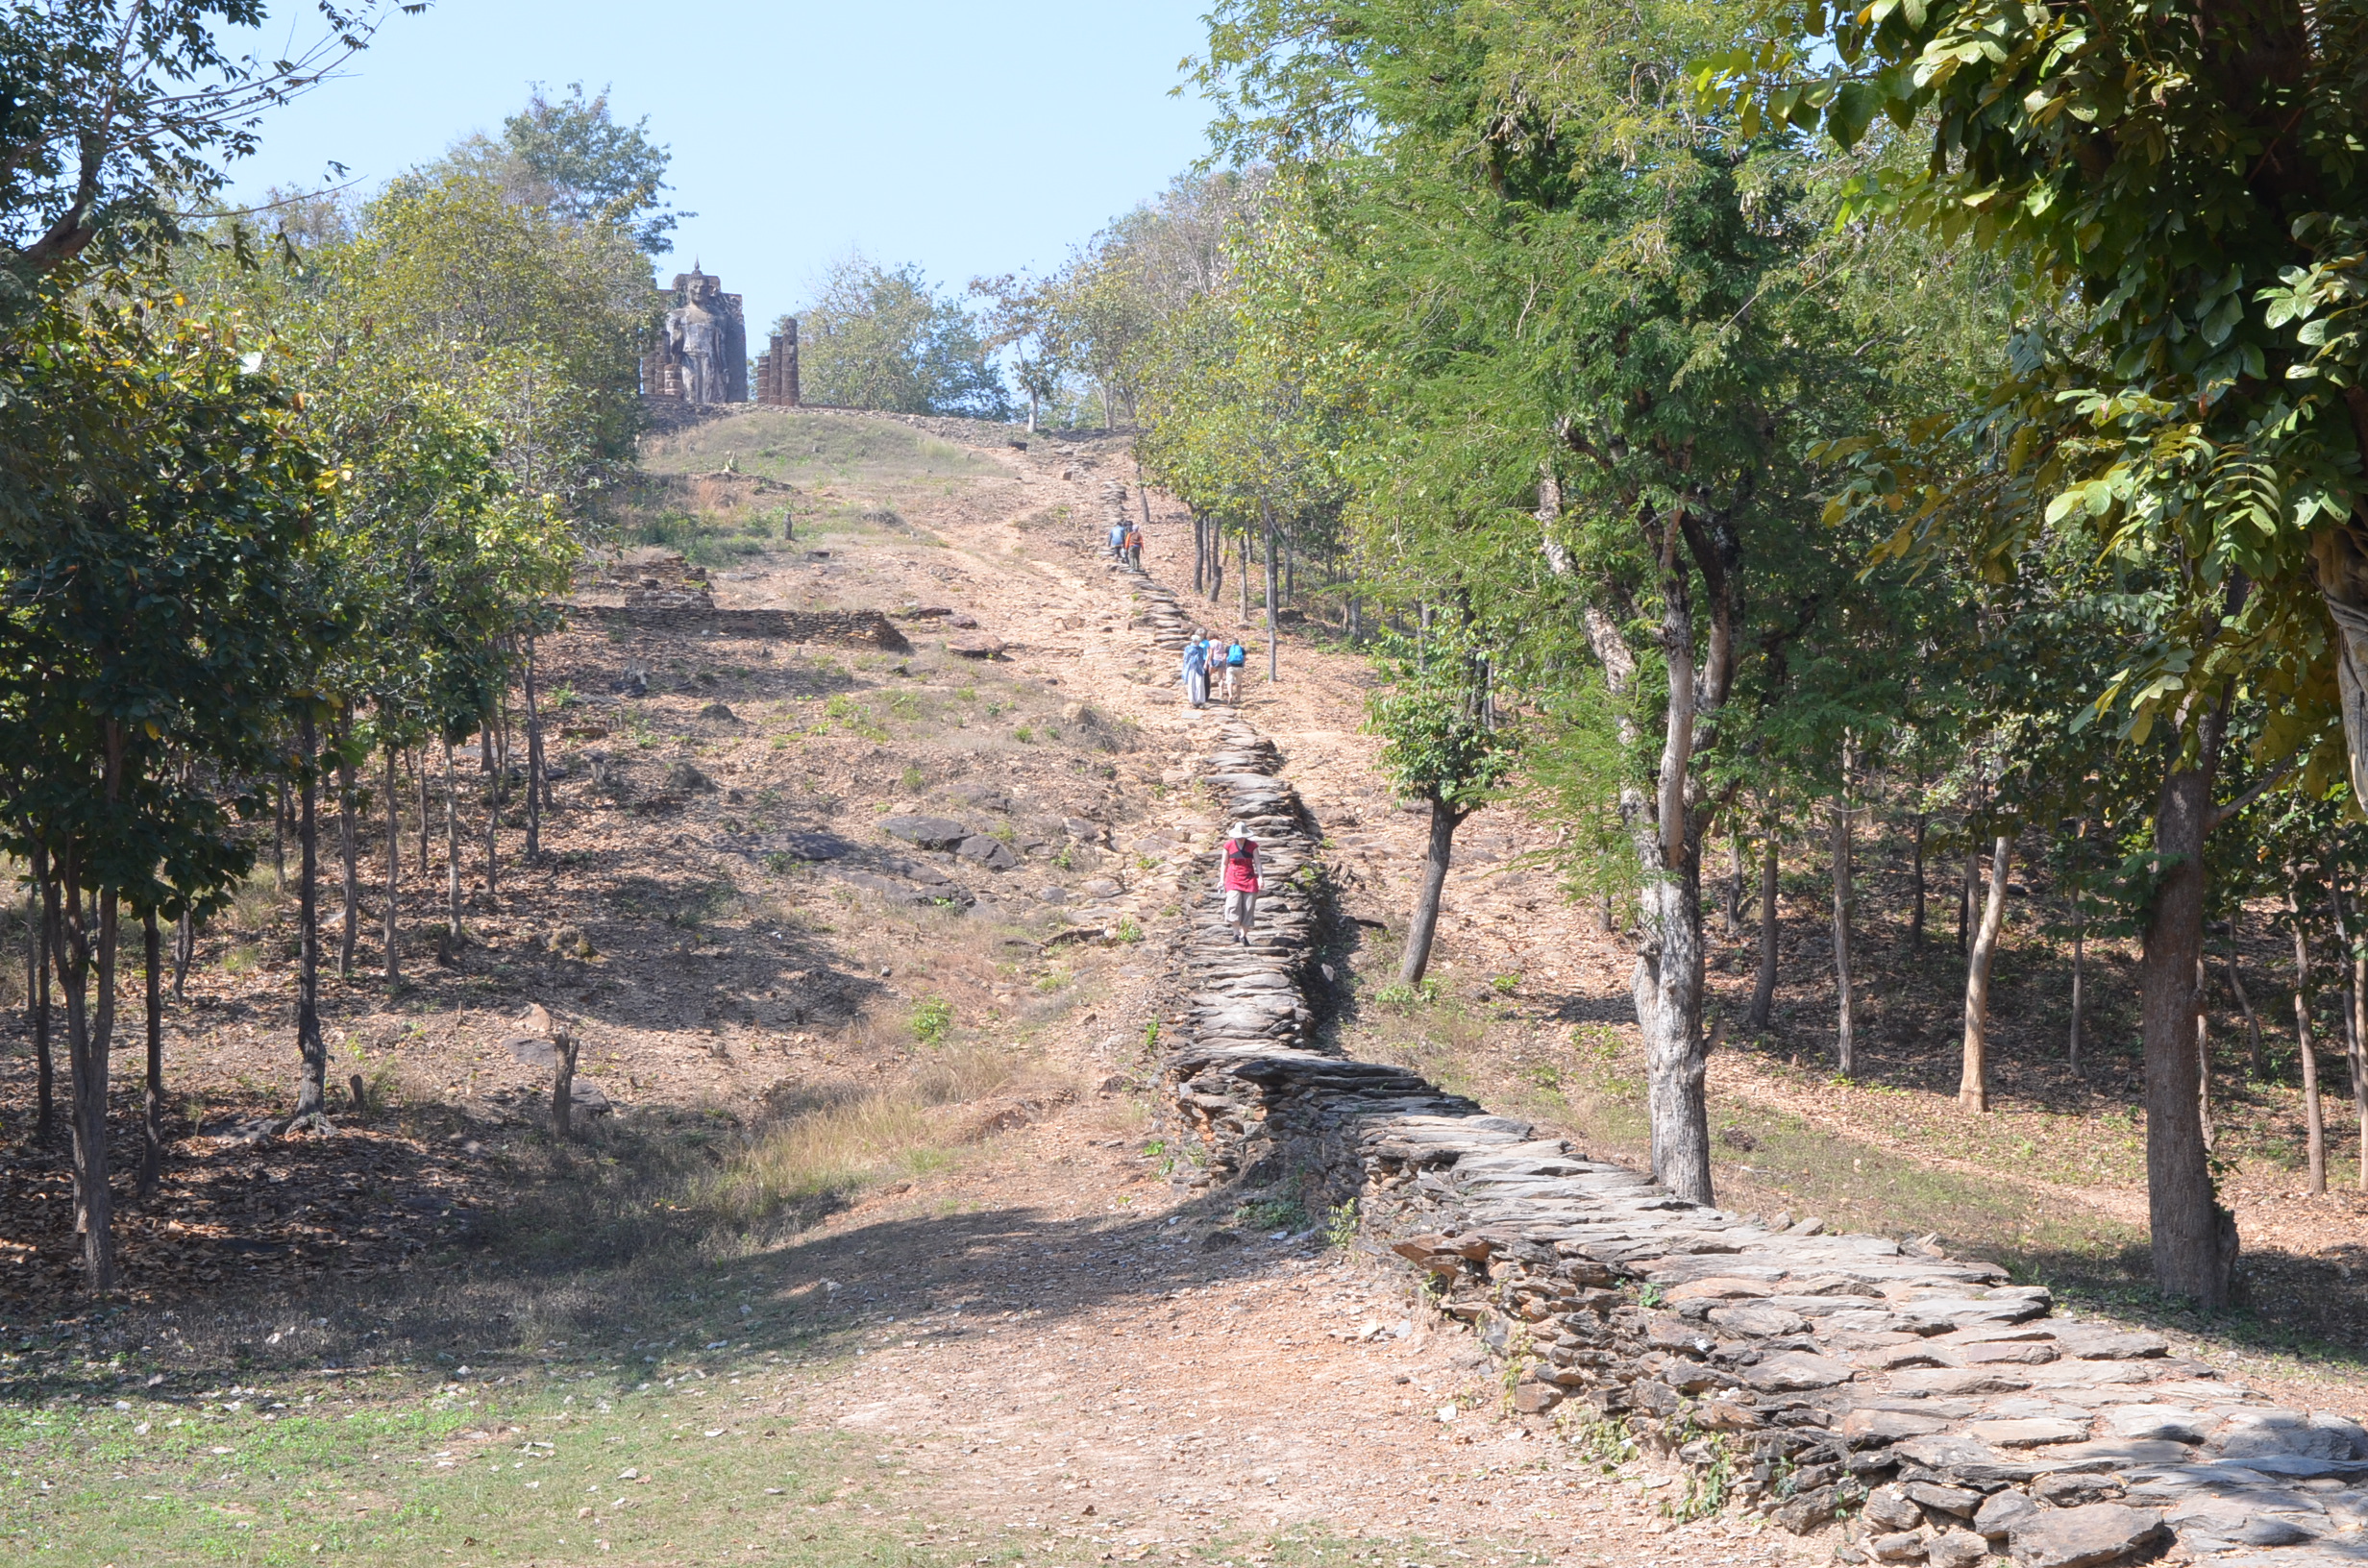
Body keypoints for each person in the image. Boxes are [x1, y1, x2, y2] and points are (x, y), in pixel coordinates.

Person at [1220, 821, 1262, 943]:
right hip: (1233, 878)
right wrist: (1222, 880)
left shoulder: (1253, 846)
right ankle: (1235, 933)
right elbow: (1224, 863)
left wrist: (1260, 878)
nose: (1240, 838)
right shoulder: (1228, 846)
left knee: (1248, 907)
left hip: (1249, 878)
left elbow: (1258, 862)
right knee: (1233, 904)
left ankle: (1244, 935)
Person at [1181, 632, 1211, 708]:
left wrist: (1204, 665)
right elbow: (1186, 659)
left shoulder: (1200, 649)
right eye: (1197, 641)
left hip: (1199, 668)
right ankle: (1192, 701)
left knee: (1199, 684)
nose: (1198, 642)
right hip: (1191, 668)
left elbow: (1202, 658)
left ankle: (1200, 701)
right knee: (1192, 684)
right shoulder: (1188, 648)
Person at [1221, 638, 1247, 702]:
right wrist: (1243, 666)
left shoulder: (1228, 648)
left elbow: (1224, 658)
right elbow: (1244, 659)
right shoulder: (1242, 649)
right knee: (1238, 684)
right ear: (1238, 643)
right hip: (1239, 667)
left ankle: (1230, 695)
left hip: (1230, 667)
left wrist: (1224, 666)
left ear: (1232, 642)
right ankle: (1238, 698)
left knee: (1229, 682)